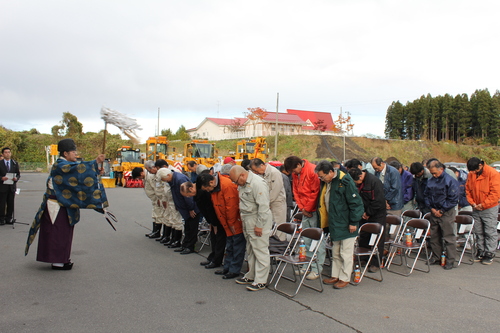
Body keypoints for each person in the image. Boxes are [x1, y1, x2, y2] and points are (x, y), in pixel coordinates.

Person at [25, 138, 108, 270]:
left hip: (63, 204)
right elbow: (79, 170)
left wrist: (96, 171)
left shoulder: (66, 166)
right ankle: (57, 261)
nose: (76, 154)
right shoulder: (60, 166)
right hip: (56, 205)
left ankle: (62, 259)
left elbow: (78, 176)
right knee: (57, 233)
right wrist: (95, 162)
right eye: (73, 152)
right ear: (65, 154)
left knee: (63, 232)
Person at [315, 161, 364, 289]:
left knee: (345, 252)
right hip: (335, 222)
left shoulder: (345, 181)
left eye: (322, 176)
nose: (321, 179)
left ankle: (345, 277)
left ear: (331, 172)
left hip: (347, 222)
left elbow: (356, 203)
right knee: (336, 251)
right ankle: (335, 275)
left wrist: (353, 222)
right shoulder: (328, 182)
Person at [229, 165, 272, 291]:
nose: (236, 184)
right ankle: (251, 275)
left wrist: (259, 226)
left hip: (257, 219)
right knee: (251, 249)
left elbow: (264, 207)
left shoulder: (258, 183)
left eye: (236, 181)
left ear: (242, 175)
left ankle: (261, 280)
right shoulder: (243, 183)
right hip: (247, 219)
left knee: (260, 250)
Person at [199, 172, 246, 279]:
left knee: (236, 246)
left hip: (233, 221)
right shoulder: (218, 186)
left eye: (207, 188)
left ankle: (234, 270)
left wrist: (231, 222)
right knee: (230, 245)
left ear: (211, 182)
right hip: (227, 221)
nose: (207, 191)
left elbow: (232, 206)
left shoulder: (227, 185)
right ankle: (228, 267)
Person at [283, 156, 321, 280]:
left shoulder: (312, 170)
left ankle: (316, 268)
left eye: (294, 170)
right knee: (305, 239)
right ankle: (306, 265)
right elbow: (296, 191)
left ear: (299, 164)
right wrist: (302, 208)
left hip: (314, 210)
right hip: (305, 210)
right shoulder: (296, 174)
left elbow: (315, 192)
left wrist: (308, 208)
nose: (294, 173)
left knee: (317, 240)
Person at [180, 170, 226, 269]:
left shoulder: (203, 192)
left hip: (217, 219)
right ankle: (212, 258)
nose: (189, 197)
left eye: (188, 194)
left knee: (219, 239)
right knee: (214, 238)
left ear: (191, 188)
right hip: (211, 219)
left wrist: (213, 223)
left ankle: (217, 260)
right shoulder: (199, 192)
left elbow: (210, 208)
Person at [348, 167, 386, 273]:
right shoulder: (359, 182)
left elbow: (378, 201)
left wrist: (368, 213)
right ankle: (364, 258)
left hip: (377, 213)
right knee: (364, 235)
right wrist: (362, 213)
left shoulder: (374, 182)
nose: (356, 185)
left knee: (377, 238)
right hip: (364, 213)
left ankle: (375, 262)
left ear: (360, 176)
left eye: (357, 182)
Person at [424, 159, 459, 270]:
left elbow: (453, 199)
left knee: (448, 237)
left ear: (441, 169)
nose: (434, 175)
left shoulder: (450, 181)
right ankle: (436, 256)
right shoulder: (430, 180)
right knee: (434, 236)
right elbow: (426, 196)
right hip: (434, 211)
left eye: (435, 172)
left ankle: (450, 260)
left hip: (446, 212)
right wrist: (432, 208)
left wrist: (442, 210)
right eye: (432, 173)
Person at [465, 157, 500, 265]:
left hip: (489, 208)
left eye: (475, 170)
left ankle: (489, 253)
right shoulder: (471, 174)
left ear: (480, 166)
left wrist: (483, 205)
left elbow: (495, 193)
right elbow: (467, 190)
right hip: (476, 207)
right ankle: (480, 250)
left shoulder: (493, 174)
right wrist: (473, 203)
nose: (473, 173)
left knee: (489, 231)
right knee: (478, 231)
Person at [161, 164, 200, 254]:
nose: (165, 181)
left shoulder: (180, 180)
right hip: (186, 208)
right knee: (187, 228)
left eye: (165, 179)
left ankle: (190, 246)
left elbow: (188, 197)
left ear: (168, 176)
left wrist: (191, 209)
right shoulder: (174, 180)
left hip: (192, 209)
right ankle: (185, 245)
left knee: (192, 229)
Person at [249, 158, 287, 235]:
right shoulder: (261, 174)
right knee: (270, 227)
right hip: (267, 204)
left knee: (279, 227)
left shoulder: (274, 173)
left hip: (277, 203)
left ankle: (281, 244)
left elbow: (275, 191)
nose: (256, 172)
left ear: (262, 165)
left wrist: (266, 202)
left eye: (256, 170)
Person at [155, 167, 184, 246]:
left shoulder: (175, 177)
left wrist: (177, 203)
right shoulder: (167, 177)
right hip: (169, 200)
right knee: (169, 219)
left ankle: (177, 240)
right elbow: (164, 189)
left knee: (176, 220)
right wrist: (163, 199)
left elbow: (178, 192)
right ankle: (170, 238)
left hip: (174, 201)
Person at [0, 147, 20, 225]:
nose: (8, 154)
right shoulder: (0, 163)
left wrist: (16, 178)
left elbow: (18, 174)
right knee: (2, 203)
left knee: (10, 203)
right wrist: (1, 178)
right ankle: (1, 219)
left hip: (11, 186)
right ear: (3, 154)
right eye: (6, 152)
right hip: (2, 187)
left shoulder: (14, 163)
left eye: (9, 152)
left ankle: (9, 218)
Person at [143, 161, 162, 239]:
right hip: (155, 199)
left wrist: (158, 198)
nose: (149, 172)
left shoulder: (154, 176)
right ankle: (155, 231)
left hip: (159, 199)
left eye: (148, 170)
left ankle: (158, 232)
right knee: (155, 215)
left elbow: (158, 188)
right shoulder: (150, 175)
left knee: (160, 216)